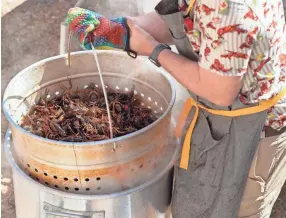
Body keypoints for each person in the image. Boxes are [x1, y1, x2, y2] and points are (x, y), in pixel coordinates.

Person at [66, 0, 286, 217]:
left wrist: (153, 49)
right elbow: (186, 17)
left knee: (235, 209)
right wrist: (122, 29)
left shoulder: (230, 8)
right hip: (221, 117)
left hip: (253, 134)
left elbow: (220, 92)